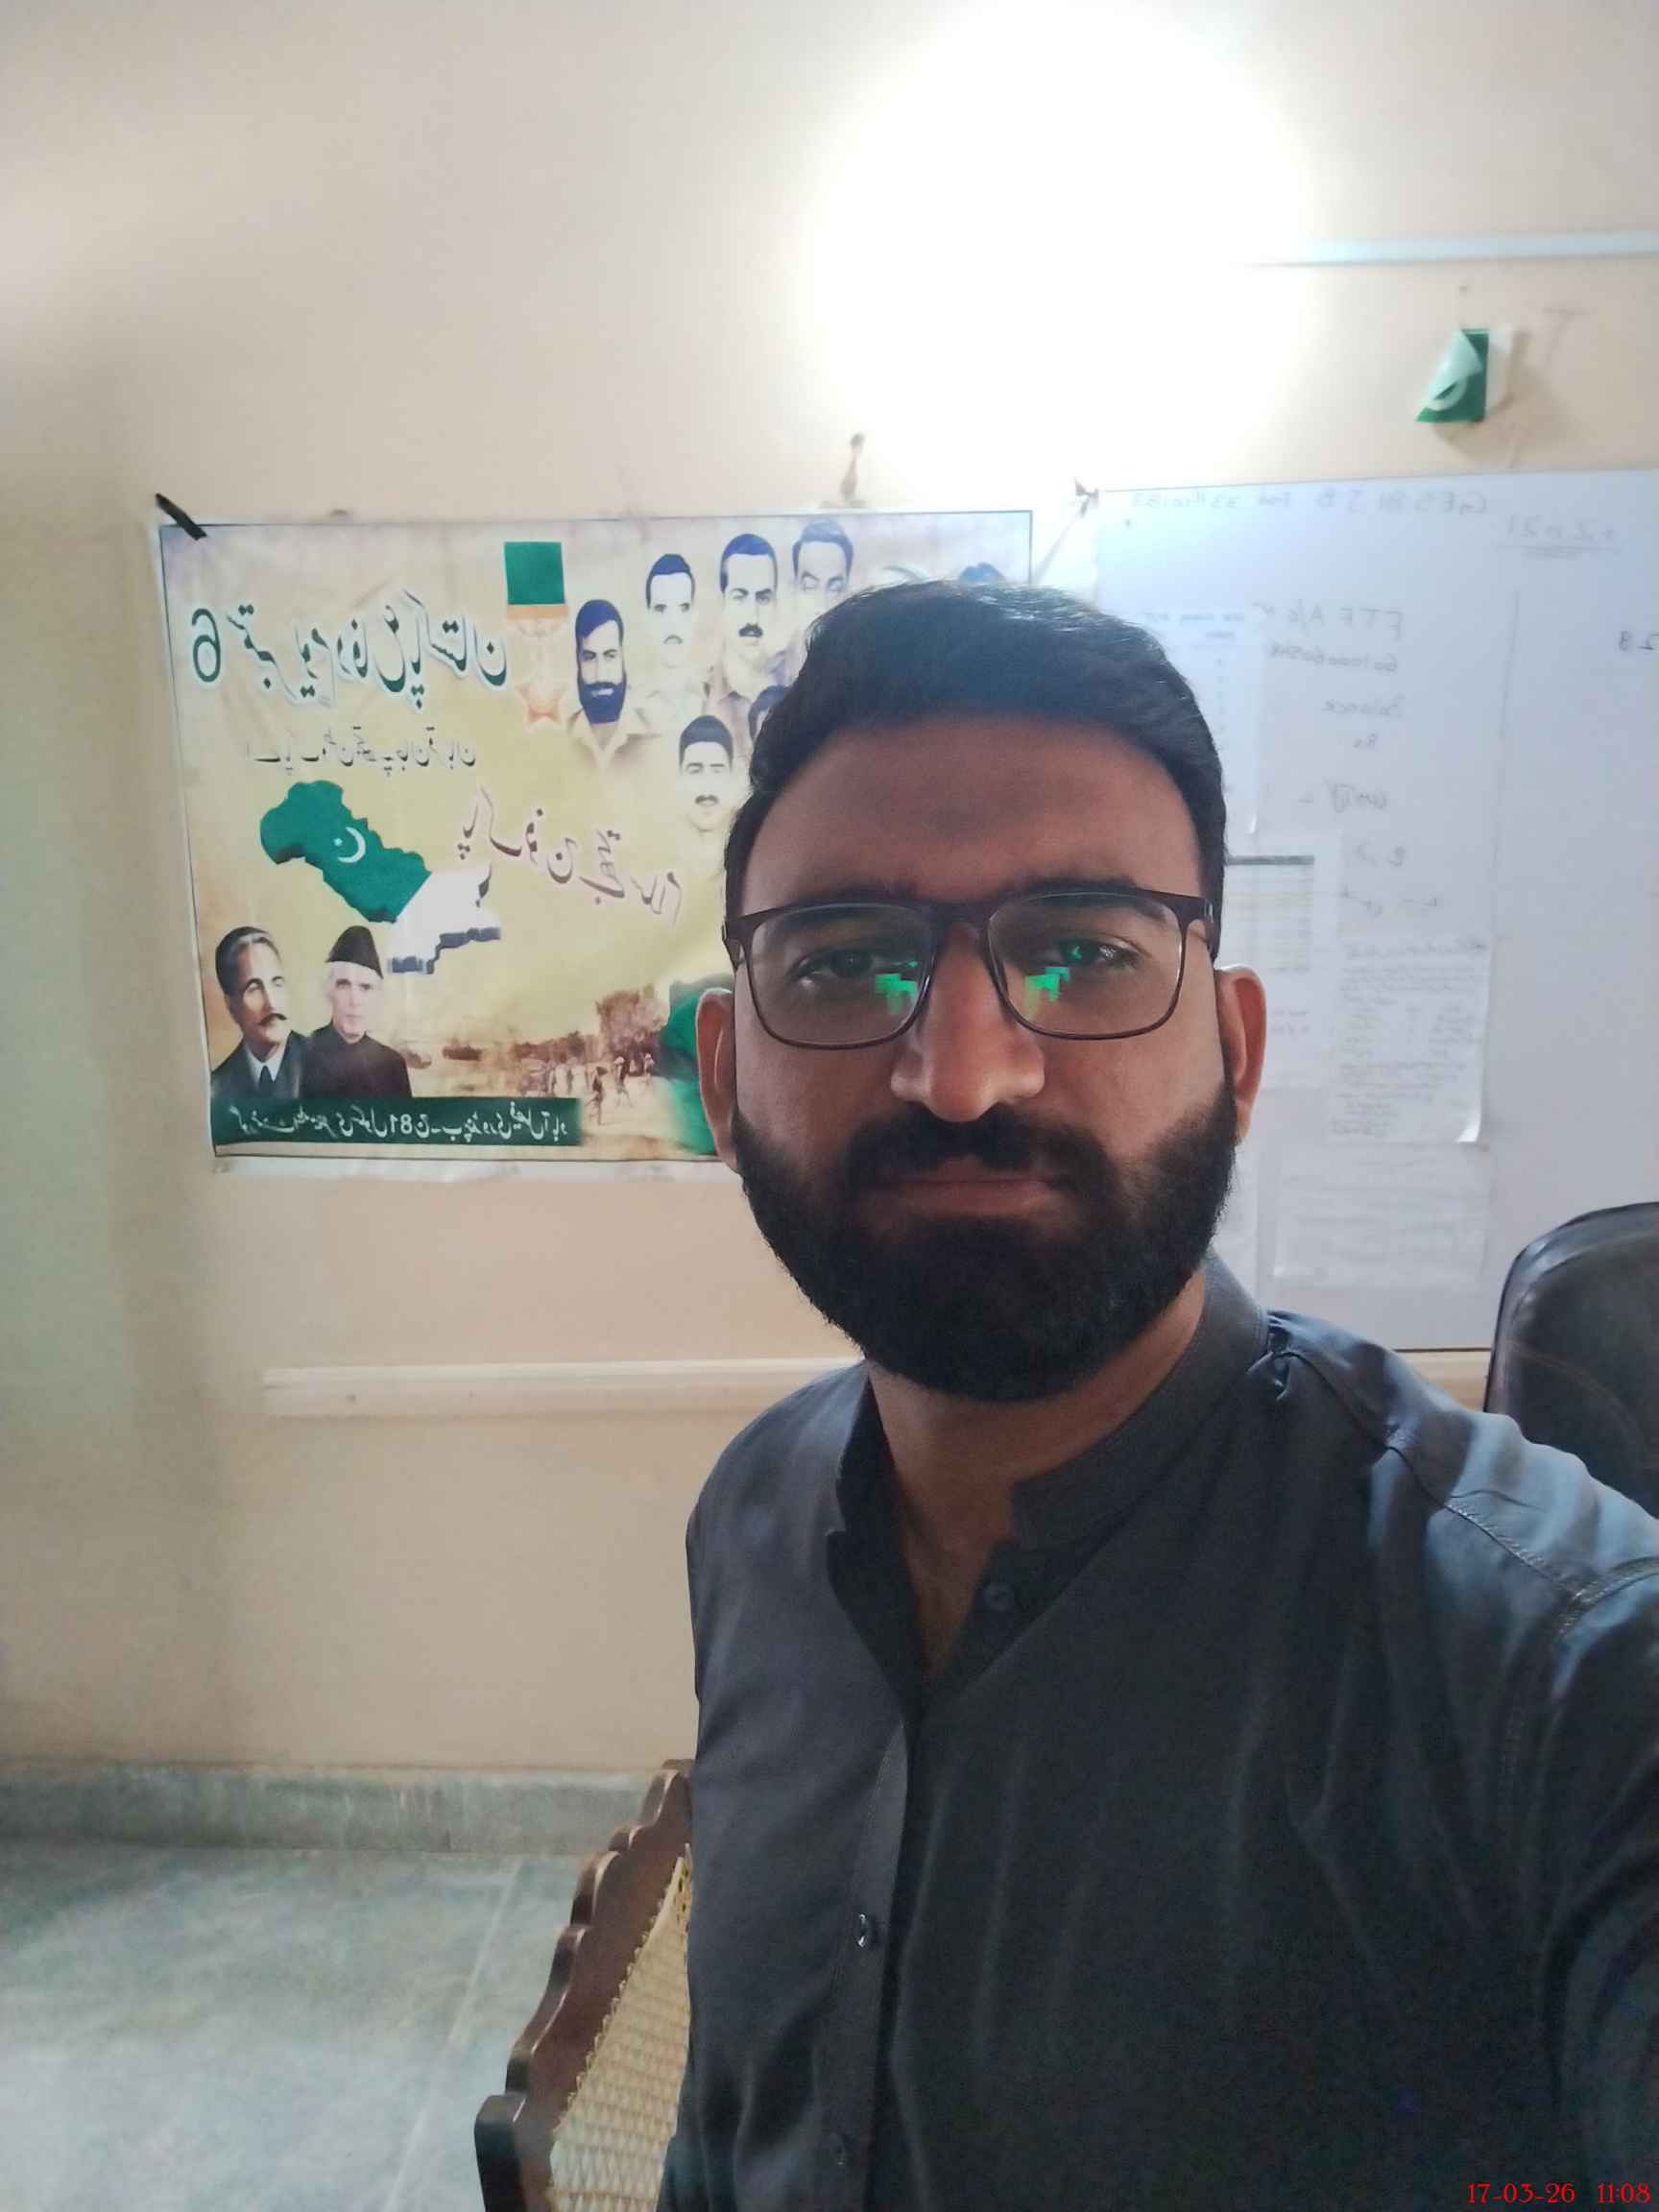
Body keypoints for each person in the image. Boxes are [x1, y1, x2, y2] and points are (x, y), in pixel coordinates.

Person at [659, 582, 1659, 2210]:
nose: (963, 1073)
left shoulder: (1553, 1669)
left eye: (1084, 951)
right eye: (841, 966)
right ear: (721, 1076)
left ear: (1236, 1051)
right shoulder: (752, 1516)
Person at [301, 926, 413, 1099]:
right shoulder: (300, 1058)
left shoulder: (393, 1065)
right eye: (343, 985)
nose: (355, 1001)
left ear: (376, 996)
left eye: (365, 987)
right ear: (329, 991)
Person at [709, 531, 783, 762]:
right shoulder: (700, 698)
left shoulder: (798, 692)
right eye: (740, 597)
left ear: (776, 604)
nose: (753, 617)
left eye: (763, 598)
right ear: (722, 602)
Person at [209, 926, 306, 1098]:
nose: (271, 1003)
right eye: (254, 989)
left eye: (277, 983)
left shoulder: (327, 1069)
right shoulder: (216, 1089)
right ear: (231, 1006)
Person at [565, 597, 654, 771]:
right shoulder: (559, 737)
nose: (600, 675)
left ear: (623, 656)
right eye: (589, 658)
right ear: (578, 660)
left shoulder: (654, 737)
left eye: (610, 656)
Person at [639, 553, 709, 740]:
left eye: (683, 608)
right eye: (661, 609)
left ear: (694, 617)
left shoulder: (714, 697)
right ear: (647, 619)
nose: (673, 624)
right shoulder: (630, 704)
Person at [785, 517, 854, 681]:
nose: (822, 606)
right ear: (794, 590)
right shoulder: (772, 676)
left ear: (848, 593)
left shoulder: (859, 671)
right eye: (810, 586)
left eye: (835, 588)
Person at [676, 715, 740, 879]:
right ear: (679, 777)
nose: (706, 786)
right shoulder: (656, 862)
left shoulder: (750, 860)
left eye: (717, 770)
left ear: (731, 776)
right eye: (695, 770)